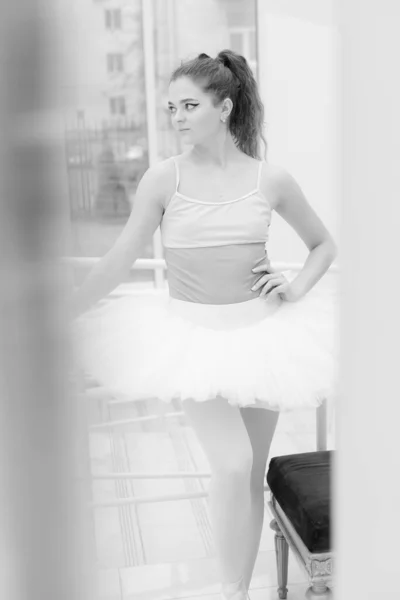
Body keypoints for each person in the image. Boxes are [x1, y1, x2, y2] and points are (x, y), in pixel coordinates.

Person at [72, 50, 337, 600]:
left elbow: (323, 245)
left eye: (189, 105)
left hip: (264, 338)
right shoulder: (162, 180)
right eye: (172, 107)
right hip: (190, 340)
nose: (178, 117)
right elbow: (120, 259)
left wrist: (295, 288)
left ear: (225, 106)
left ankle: (237, 591)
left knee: (249, 472)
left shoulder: (271, 180)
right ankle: (226, 589)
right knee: (232, 461)